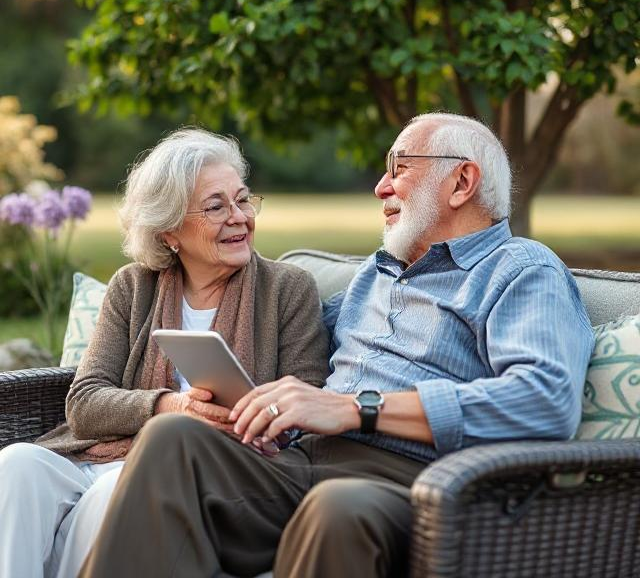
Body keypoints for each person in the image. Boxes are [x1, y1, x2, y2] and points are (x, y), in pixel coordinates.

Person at [81, 113, 594, 578]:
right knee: (173, 438)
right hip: (303, 463)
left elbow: (544, 398)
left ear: (461, 182)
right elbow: (291, 339)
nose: (380, 186)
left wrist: (356, 409)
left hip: (422, 482)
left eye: (400, 168)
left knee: (336, 505)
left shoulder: (521, 270)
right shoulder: (377, 273)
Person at [0, 128, 328, 578]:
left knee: (116, 489)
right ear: (170, 230)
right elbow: (84, 405)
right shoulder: (133, 286)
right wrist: (168, 405)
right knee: (16, 463)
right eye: (216, 206)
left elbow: (305, 401)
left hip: (187, 470)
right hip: (100, 453)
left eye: (244, 199)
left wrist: (243, 417)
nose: (239, 217)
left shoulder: (287, 289)